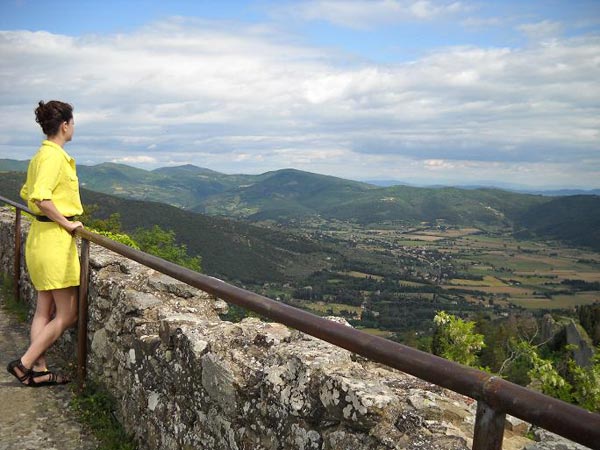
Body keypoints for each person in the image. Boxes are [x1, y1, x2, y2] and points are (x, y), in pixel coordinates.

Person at [7, 100, 84, 387]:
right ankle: (25, 363)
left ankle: (39, 371)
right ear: (65, 125)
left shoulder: (40, 156)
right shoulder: (54, 157)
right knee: (68, 314)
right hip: (53, 240)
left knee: (44, 309)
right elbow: (41, 197)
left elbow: (27, 192)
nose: (73, 127)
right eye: (72, 123)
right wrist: (67, 222)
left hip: (40, 239)